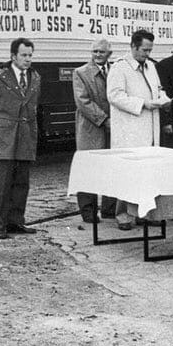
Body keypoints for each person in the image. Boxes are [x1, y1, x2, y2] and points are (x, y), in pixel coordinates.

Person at [107, 29, 169, 230]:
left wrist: (163, 98)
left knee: (149, 172)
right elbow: (115, 96)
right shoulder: (120, 67)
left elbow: (157, 88)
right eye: (144, 50)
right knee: (129, 173)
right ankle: (123, 214)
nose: (147, 54)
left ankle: (146, 212)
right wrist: (143, 104)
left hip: (150, 128)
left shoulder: (151, 66)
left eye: (150, 50)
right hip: (130, 131)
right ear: (133, 47)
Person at [0, 38, 40, 239]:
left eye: (30, 55)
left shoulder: (35, 77)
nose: (28, 59)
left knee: (22, 182)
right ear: (13, 56)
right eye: (24, 55)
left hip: (25, 135)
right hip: (3, 136)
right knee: (1, 184)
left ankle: (16, 222)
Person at [72, 38, 116, 223]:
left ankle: (109, 208)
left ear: (109, 54)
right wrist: (104, 119)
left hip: (112, 127)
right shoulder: (81, 73)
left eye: (102, 52)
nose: (98, 55)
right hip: (91, 128)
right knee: (89, 168)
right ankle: (88, 211)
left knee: (111, 167)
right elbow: (82, 101)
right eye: (95, 52)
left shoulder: (115, 71)